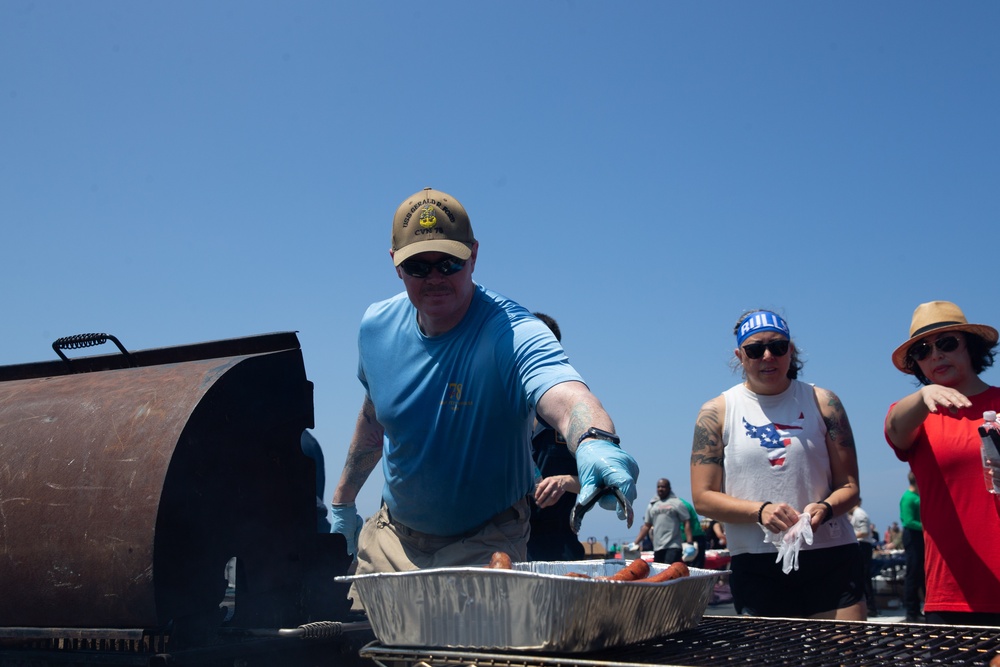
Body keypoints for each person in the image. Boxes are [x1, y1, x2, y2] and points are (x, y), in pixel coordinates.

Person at [329, 187, 639, 579]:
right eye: (418, 268)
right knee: (361, 639)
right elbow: (377, 416)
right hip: (392, 536)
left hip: (486, 542)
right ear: (395, 264)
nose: (434, 278)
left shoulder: (512, 331)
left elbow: (564, 393)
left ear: (473, 255)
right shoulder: (375, 328)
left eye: (449, 264)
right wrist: (343, 502)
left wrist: (595, 441)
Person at [690, 309, 866, 620]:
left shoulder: (823, 402)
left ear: (791, 350)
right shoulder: (716, 412)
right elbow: (703, 498)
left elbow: (850, 487)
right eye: (756, 349)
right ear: (740, 356)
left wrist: (823, 509)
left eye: (778, 346)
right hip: (757, 562)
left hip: (831, 554)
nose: (768, 356)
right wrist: (761, 511)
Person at [884, 300, 1000, 626]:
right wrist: (924, 397)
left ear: (970, 347)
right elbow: (895, 426)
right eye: (922, 350)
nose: (935, 355)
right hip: (952, 593)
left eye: (946, 343)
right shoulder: (917, 415)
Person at [526, 312, 585, 561]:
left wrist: (564, 482)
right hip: (501, 543)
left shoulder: (578, 414)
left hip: (559, 547)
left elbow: (605, 484)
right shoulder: (496, 411)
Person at [631, 478, 691, 564]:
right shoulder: (652, 505)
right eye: (658, 487)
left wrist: (689, 543)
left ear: (669, 488)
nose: (660, 489)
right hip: (658, 547)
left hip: (673, 545)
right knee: (659, 573)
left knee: (670, 572)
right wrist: (635, 543)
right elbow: (647, 526)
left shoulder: (677, 503)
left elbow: (686, 522)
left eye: (663, 487)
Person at [899, 471, 925, 622]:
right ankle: (911, 611)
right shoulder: (908, 498)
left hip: (919, 536)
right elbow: (908, 521)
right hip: (912, 536)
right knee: (913, 573)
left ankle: (918, 608)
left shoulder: (917, 496)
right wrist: (926, 526)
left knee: (921, 573)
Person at [849, 499, 878, 617]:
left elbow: (864, 532)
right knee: (863, 577)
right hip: (862, 546)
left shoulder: (859, 514)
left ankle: (870, 607)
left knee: (864, 577)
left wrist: (849, 536)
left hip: (862, 546)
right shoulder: (858, 514)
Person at [679, 496, 707, 568]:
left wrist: (690, 543)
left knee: (695, 566)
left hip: (693, 538)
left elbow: (686, 523)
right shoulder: (681, 503)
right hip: (691, 537)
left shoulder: (680, 505)